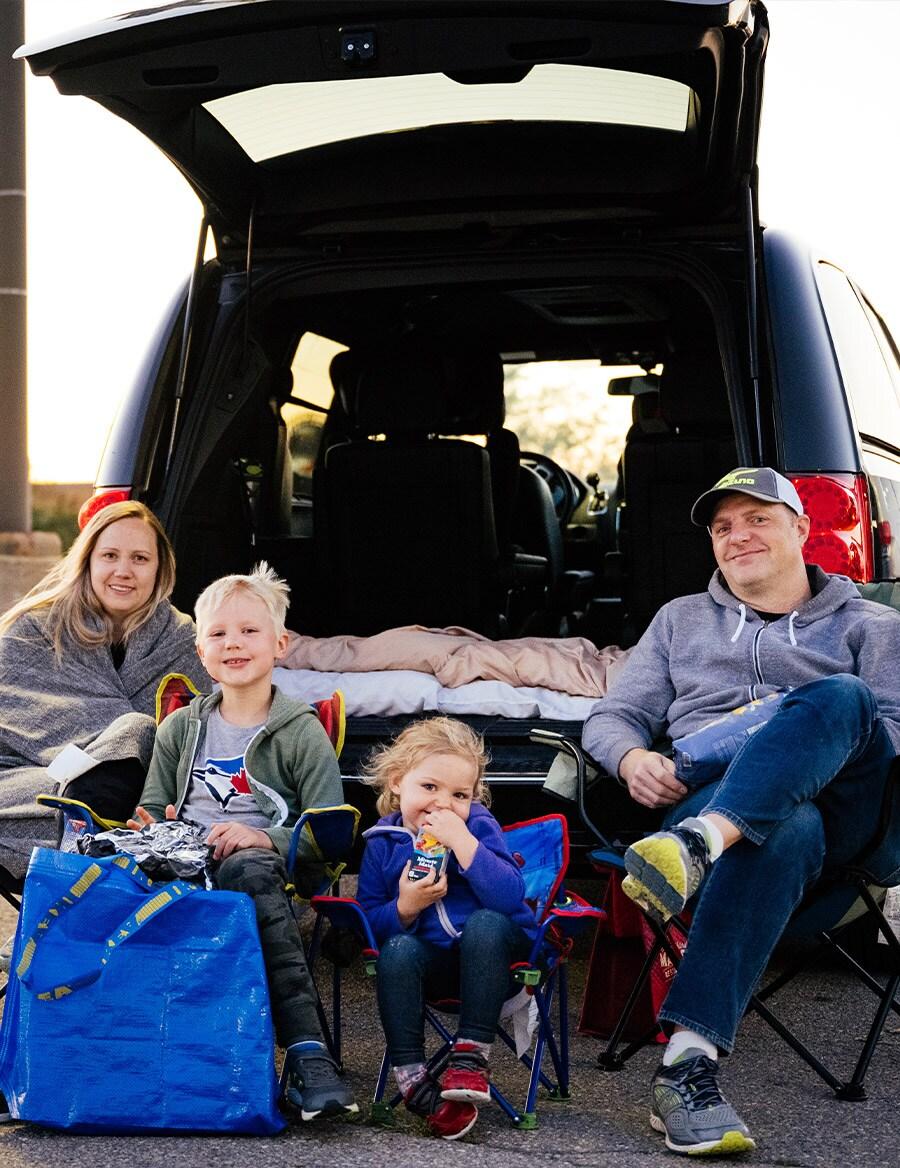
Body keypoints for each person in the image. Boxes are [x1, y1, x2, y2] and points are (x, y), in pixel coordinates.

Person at [582, 466, 900, 1157]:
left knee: (843, 698)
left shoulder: (874, 626)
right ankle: (687, 1066)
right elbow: (612, 716)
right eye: (723, 527)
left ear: (801, 530)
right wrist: (633, 760)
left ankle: (702, 845)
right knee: (785, 829)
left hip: (850, 813)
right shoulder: (679, 621)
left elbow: (893, 733)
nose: (737, 536)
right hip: (711, 800)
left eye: (757, 518)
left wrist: (785, 731)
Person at [131, 563, 357, 1122]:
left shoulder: (300, 729)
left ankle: (307, 1056)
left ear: (279, 643)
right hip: (181, 860)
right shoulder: (179, 728)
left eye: (250, 631)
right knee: (86, 879)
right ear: (201, 652)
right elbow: (153, 806)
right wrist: (143, 831)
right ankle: (78, 1051)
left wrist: (266, 836)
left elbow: (331, 832)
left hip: (262, 868)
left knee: (251, 871)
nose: (234, 642)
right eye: (218, 634)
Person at [0, 500, 211, 885]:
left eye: (140, 559)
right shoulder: (34, 632)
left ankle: (70, 893)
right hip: (35, 785)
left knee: (137, 731)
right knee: (131, 733)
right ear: (88, 561)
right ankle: (81, 865)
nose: (123, 571)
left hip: (148, 798)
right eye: (109, 555)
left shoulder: (185, 641)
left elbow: (206, 737)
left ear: (160, 568)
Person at [357, 717, 536, 1140]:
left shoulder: (476, 826)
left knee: (486, 922)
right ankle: (413, 1078)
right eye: (430, 787)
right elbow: (369, 924)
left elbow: (510, 897)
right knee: (397, 950)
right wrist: (404, 906)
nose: (443, 804)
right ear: (398, 782)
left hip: (499, 963)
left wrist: (465, 843)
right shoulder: (382, 843)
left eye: (460, 794)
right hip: (436, 969)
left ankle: (471, 1058)